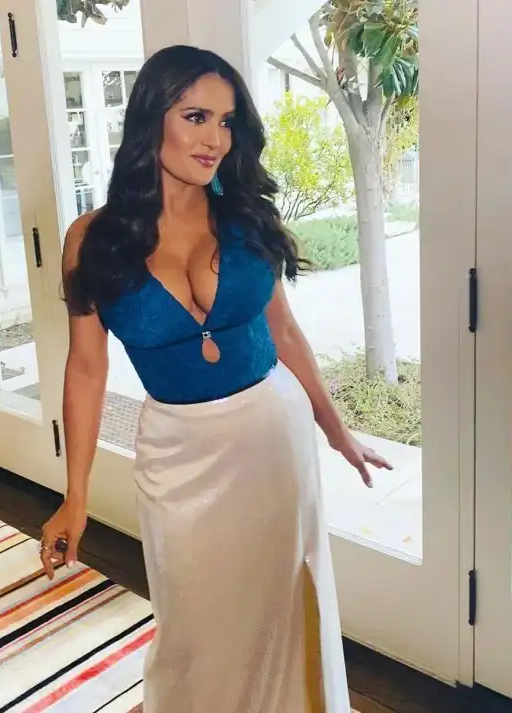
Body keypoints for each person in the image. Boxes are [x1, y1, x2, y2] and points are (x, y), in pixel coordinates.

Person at [39, 44, 392, 713]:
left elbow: (284, 333)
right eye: (197, 117)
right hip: (178, 454)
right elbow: (86, 367)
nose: (216, 140)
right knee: (195, 624)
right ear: (150, 119)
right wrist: (75, 495)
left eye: (227, 122)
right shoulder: (92, 239)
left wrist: (336, 430)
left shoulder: (245, 218)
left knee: (283, 603)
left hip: (273, 439)